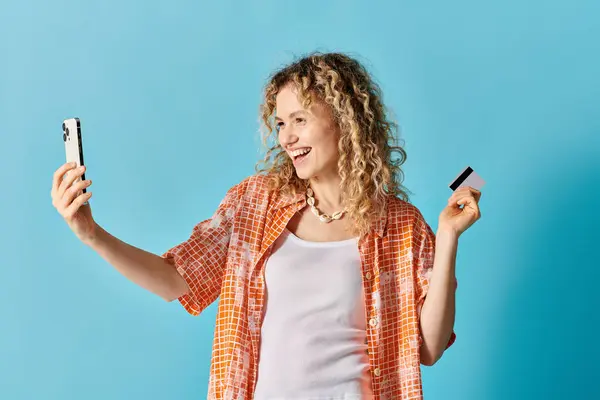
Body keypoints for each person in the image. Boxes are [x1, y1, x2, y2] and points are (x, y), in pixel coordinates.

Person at [51, 52, 482, 400]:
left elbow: (428, 347)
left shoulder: (401, 225)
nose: (286, 137)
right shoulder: (254, 204)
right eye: (280, 123)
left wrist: (447, 238)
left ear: (345, 120)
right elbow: (176, 281)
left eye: (300, 119)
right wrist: (91, 233)